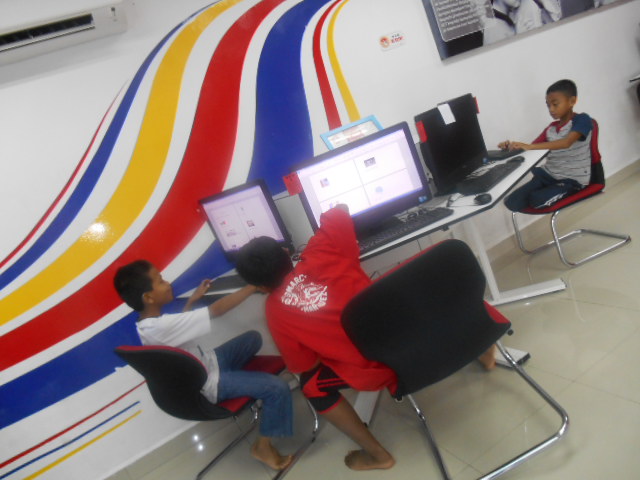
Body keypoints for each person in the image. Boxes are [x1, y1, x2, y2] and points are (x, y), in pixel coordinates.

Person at [235, 205, 498, 471]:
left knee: (312, 386)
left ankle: (378, 455)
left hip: (386, 365)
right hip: (425, 330)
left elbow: (305, 365)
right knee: (421, 297)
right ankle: (485, 348)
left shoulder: (274, 312)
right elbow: (339, 212)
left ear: (260, 287)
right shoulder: (322, 250)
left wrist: (329, 340)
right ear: (285, 252)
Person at [113, 260, 293, 470]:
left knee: (252, 338)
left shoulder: (148, 325)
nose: (168, 283)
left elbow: (176, 329)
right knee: (277, 388)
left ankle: (241, 383)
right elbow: (216, 310)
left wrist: (193, 300)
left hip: (208, 362)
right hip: (209, 383)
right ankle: (262, 447)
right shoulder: (161, 326)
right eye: (160, 281)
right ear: (149, 297)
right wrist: (254, 284)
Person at [500, 79, 593, 211]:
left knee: (536, 200)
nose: (551, 109)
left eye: (555, 104)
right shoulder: (551, 128)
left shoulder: (582, 119)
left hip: (571, 179)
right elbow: (530, 148)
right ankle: (547, 189)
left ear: (572, 101)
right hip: (548, 175)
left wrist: (530, 147)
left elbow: (566, 143)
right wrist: (511, 146)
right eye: (548, 105)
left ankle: (561, 190)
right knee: (512, 202)